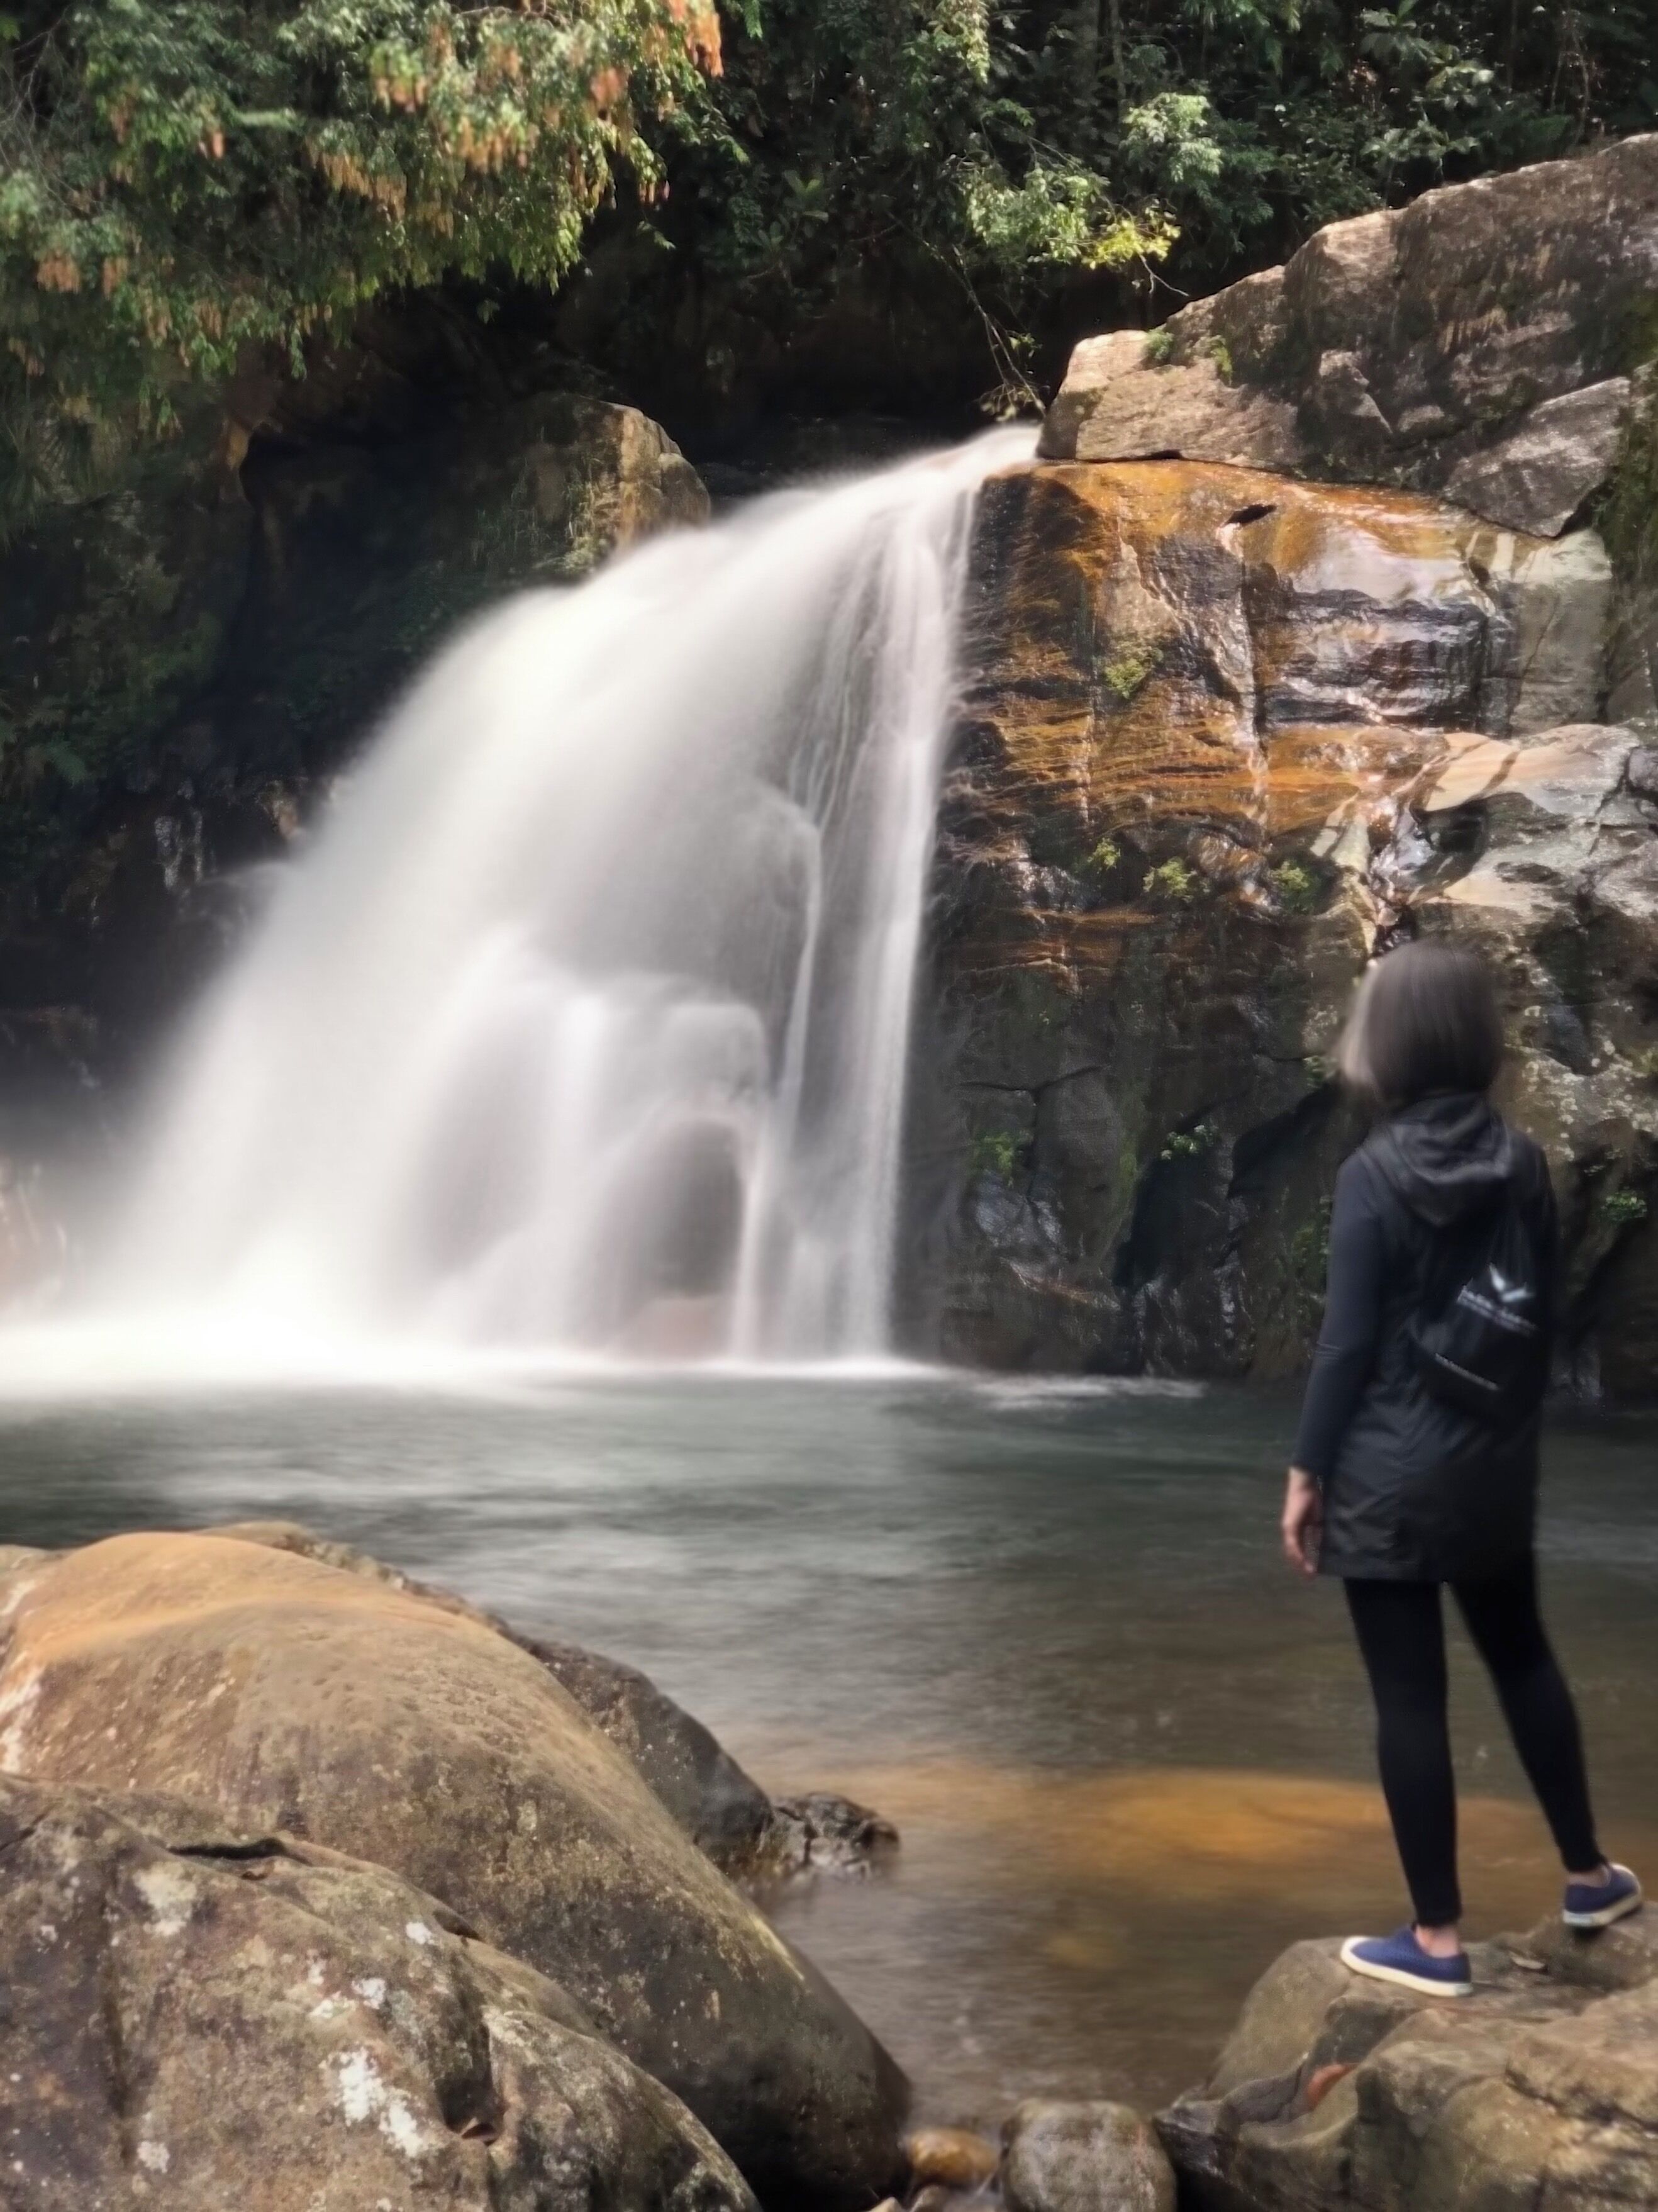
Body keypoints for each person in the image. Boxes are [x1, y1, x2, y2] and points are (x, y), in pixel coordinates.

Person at [1282, 938, 1641, 1997]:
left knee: (1410, 1699)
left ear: (1387, 1045)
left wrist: (1307, 1475)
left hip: (1389, 1473)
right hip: (1489, 1460)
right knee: (1524, 1657)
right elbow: (1539, 1319)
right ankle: (1589, 1873)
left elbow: (1346, 1347)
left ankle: (1435, 1940)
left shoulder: (1370, 1177)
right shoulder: (1527, 1164)